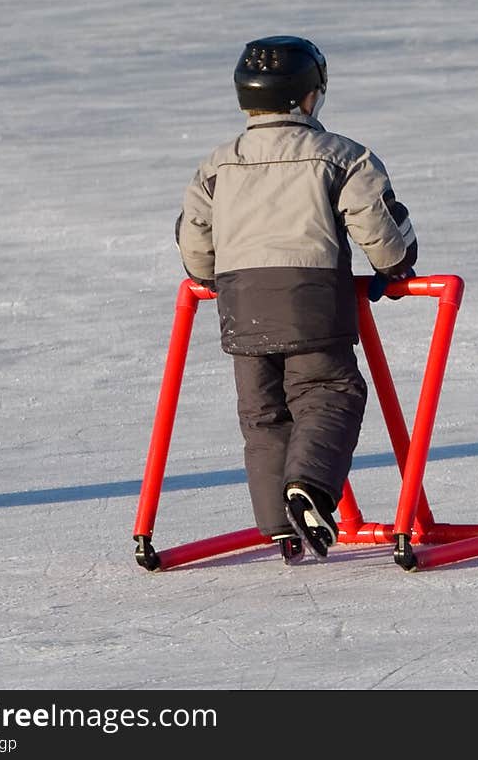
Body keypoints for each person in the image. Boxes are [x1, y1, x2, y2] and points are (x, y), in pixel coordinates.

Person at [175, 35, 418, 564]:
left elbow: (195, 242)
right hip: (311, 297)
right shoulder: (341, 156)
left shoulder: (216, 165)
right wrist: (395, 266)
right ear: (310, 97)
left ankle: (279, 527)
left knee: (263, 414)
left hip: (240, 302)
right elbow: (376, 224)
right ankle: (309, 487)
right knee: (329, 392)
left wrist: (208, 275)